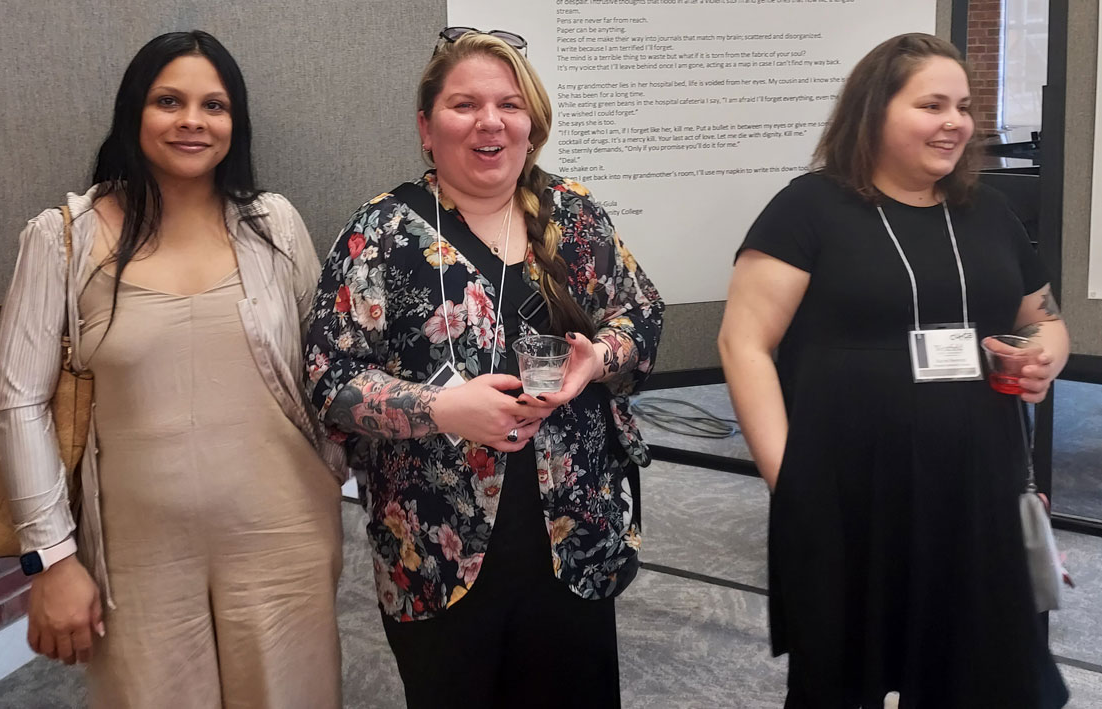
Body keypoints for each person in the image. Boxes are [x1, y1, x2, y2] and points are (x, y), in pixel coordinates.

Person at [304, 28, 663, 708]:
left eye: (509, 104)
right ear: (425, 125)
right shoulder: (379, 234)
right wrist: (439, 408)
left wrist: (598, 357)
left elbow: (641, 316)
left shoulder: (574, 218)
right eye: (464, 104)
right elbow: (330, 378)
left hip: (572, 539)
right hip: (436, 550)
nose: (489, 122)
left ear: (532, 122)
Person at [0, 31, 344, 708]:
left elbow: (327, 369)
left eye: (214, 105)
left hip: (284, 538)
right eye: (168, 101)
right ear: (135, 113)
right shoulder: (64, 237)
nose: (191, 120)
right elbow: (15, 403)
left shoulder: (273, 225)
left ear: (234, 124)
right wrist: (52, 558)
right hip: (135, 554)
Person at [719, 33, 1071, 708]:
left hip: (979, 490)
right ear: (874, 110)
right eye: (931, 104)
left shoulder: (987, 212)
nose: (955, 123)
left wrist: (1045, 350)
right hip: (849, 493)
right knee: (842, 676)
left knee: (983, 674)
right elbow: (743, 344)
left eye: (963, 107)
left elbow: (1043, 317)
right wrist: (787, 477)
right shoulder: (808, 208)